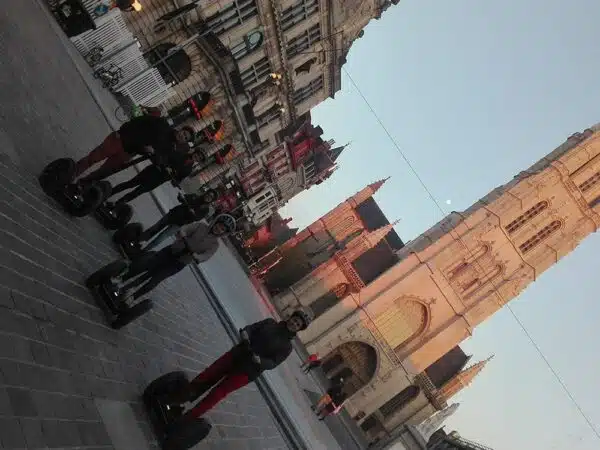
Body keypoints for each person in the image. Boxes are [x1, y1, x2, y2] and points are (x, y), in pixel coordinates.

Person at [165, 309, 313, 421]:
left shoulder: (287, 347)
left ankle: (188, 418)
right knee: (208, 375)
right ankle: (177, 401)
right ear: (290, 317)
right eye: (295, 320)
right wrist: (245, 333)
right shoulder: (270, 323)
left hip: (247, 371)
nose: (294, 324)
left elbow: (273, 362)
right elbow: (251, 328)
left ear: (299, 329)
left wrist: (260, 361)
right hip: (237, 354)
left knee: (218, 393)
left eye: (298, 324)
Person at [115, 214, 236, 300]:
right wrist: (183, 233)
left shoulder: (214, 245)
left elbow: (206, 256)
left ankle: (133, 297)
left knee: (154, 280)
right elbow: (186, 228)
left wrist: (197, 257)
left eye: (222, 229)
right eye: (219, 225)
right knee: (146, 265)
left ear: (224, 232)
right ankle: (121, 280)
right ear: (215, 222)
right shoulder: (201, 226)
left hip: (179, 263)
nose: (218, 229)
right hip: (170, 251)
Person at [74, 114, 195, 183]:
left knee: (103, 171)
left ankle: (81, 185)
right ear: (181, 129)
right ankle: (72, 174)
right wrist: (122, 130)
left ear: (184, 142)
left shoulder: (170, 148)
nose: (182, 136)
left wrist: (153, 152)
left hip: (128, 153)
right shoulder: (162, 124)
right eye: (184, 133)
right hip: (120, 139)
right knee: (92, 158)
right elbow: (140, 120)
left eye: (185, 138)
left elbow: (160, 160)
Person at [107, 143, 201, 206]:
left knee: (136, 192)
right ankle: (108, 193)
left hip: (158, 180)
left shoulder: (189, 170)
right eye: (197, 155)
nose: (196, 157)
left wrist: (175, 181)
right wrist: (166, 165)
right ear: (194, 152)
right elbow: (166, 157)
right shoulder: (180, 154)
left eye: (199, 158)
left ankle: (117, 205)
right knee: (130, 183)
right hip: (153, 170)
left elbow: (178, 179)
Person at [138, 190, 220, 250]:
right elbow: (183, 198)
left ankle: (144, 250)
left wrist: (192, 213)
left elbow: (196, 218)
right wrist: (180, 196)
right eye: (208, 194)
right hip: (173, 214)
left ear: (212, 200)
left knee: (160, 238)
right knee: (154, 228)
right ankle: (138, 241)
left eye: (211, 197)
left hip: (179, 224)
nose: (208, 197)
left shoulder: (205, 210)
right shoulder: (195, 196)